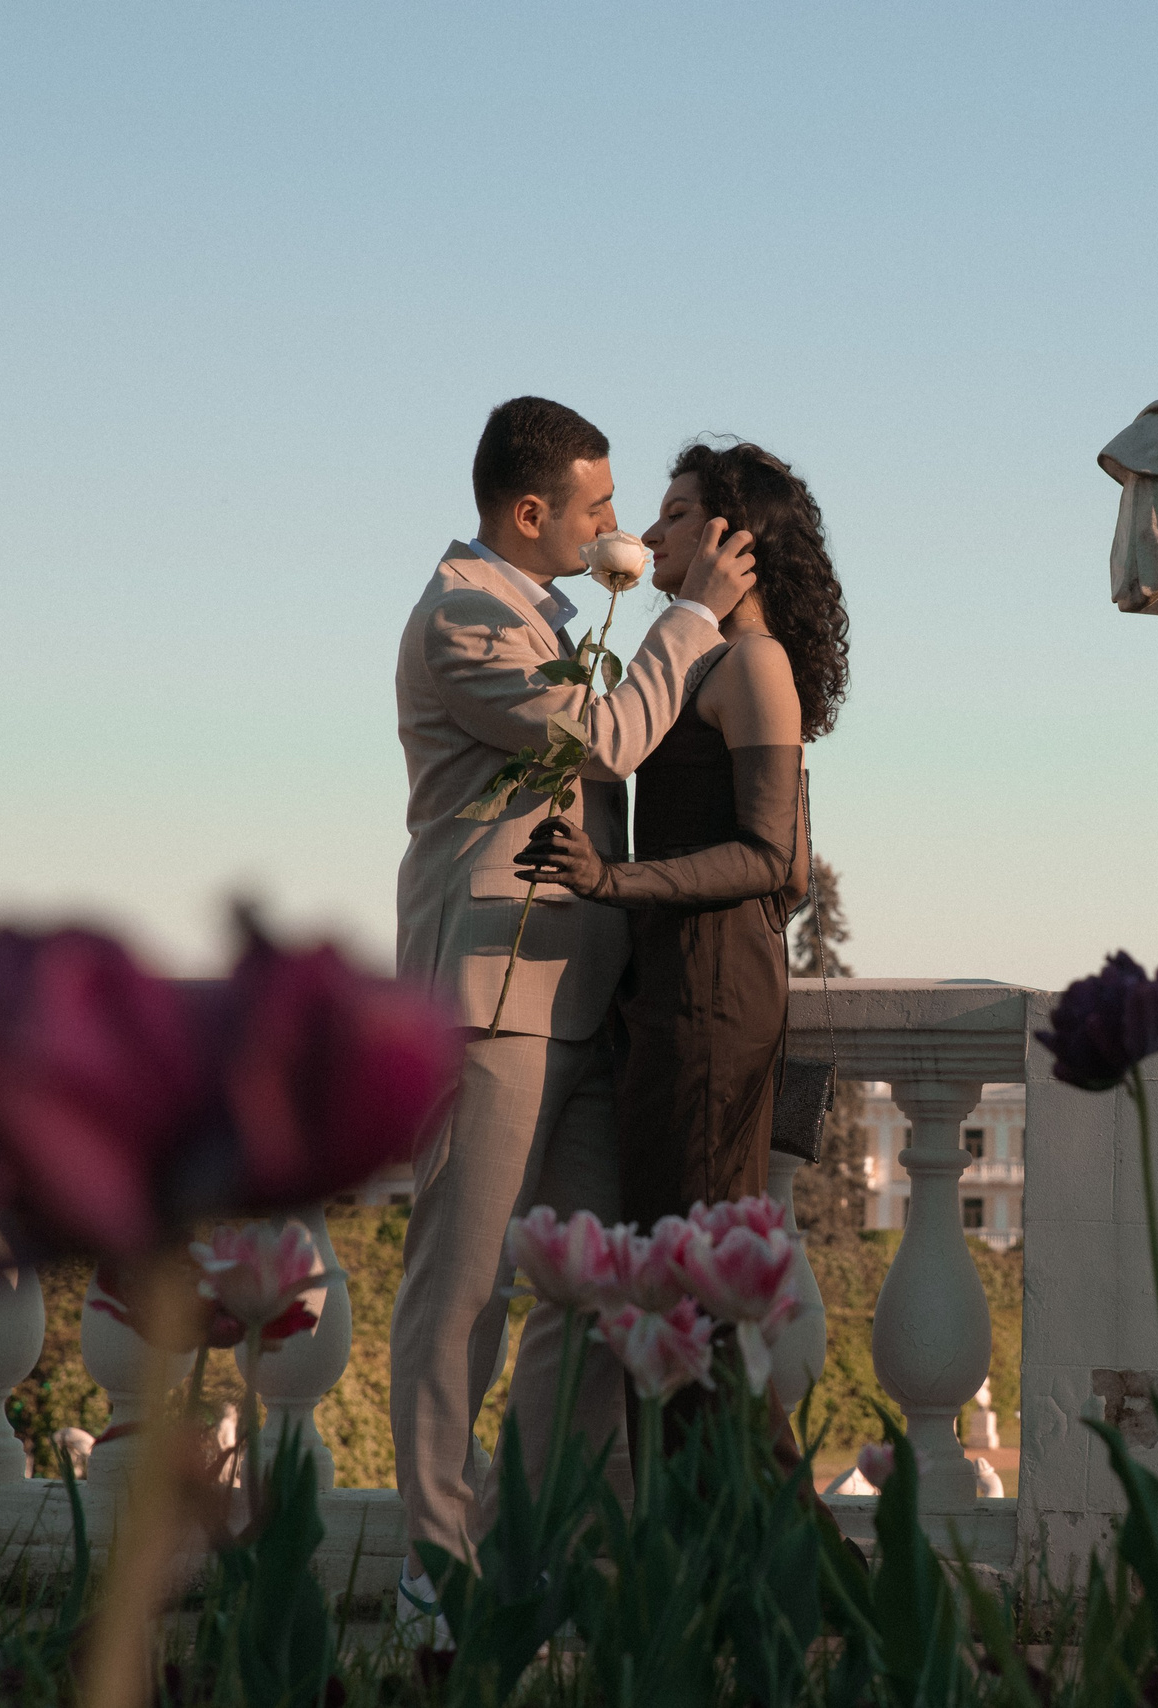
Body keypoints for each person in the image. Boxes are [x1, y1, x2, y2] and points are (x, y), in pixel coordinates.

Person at [389, 398, 758, 1642]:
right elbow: (600, 738)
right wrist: (693, 613)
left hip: (590, 1001)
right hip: (491, 995)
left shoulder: (549, 616)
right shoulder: (462, 619)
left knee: (593, 1300)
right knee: (459, 1301)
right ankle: (432, 1573)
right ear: (532, 513)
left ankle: (513, 1552)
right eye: (601, 510)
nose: (621, 530)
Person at [516, 438, 847, 1250]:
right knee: (663, 1252)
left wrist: (612, 879)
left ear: (737, 540)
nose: (650, 535)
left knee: (688, 1263)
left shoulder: (755, 662)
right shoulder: (707, 662)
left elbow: (776, 861)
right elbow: (793, 873)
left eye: (678, 515)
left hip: (709, 993)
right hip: (677, 988)